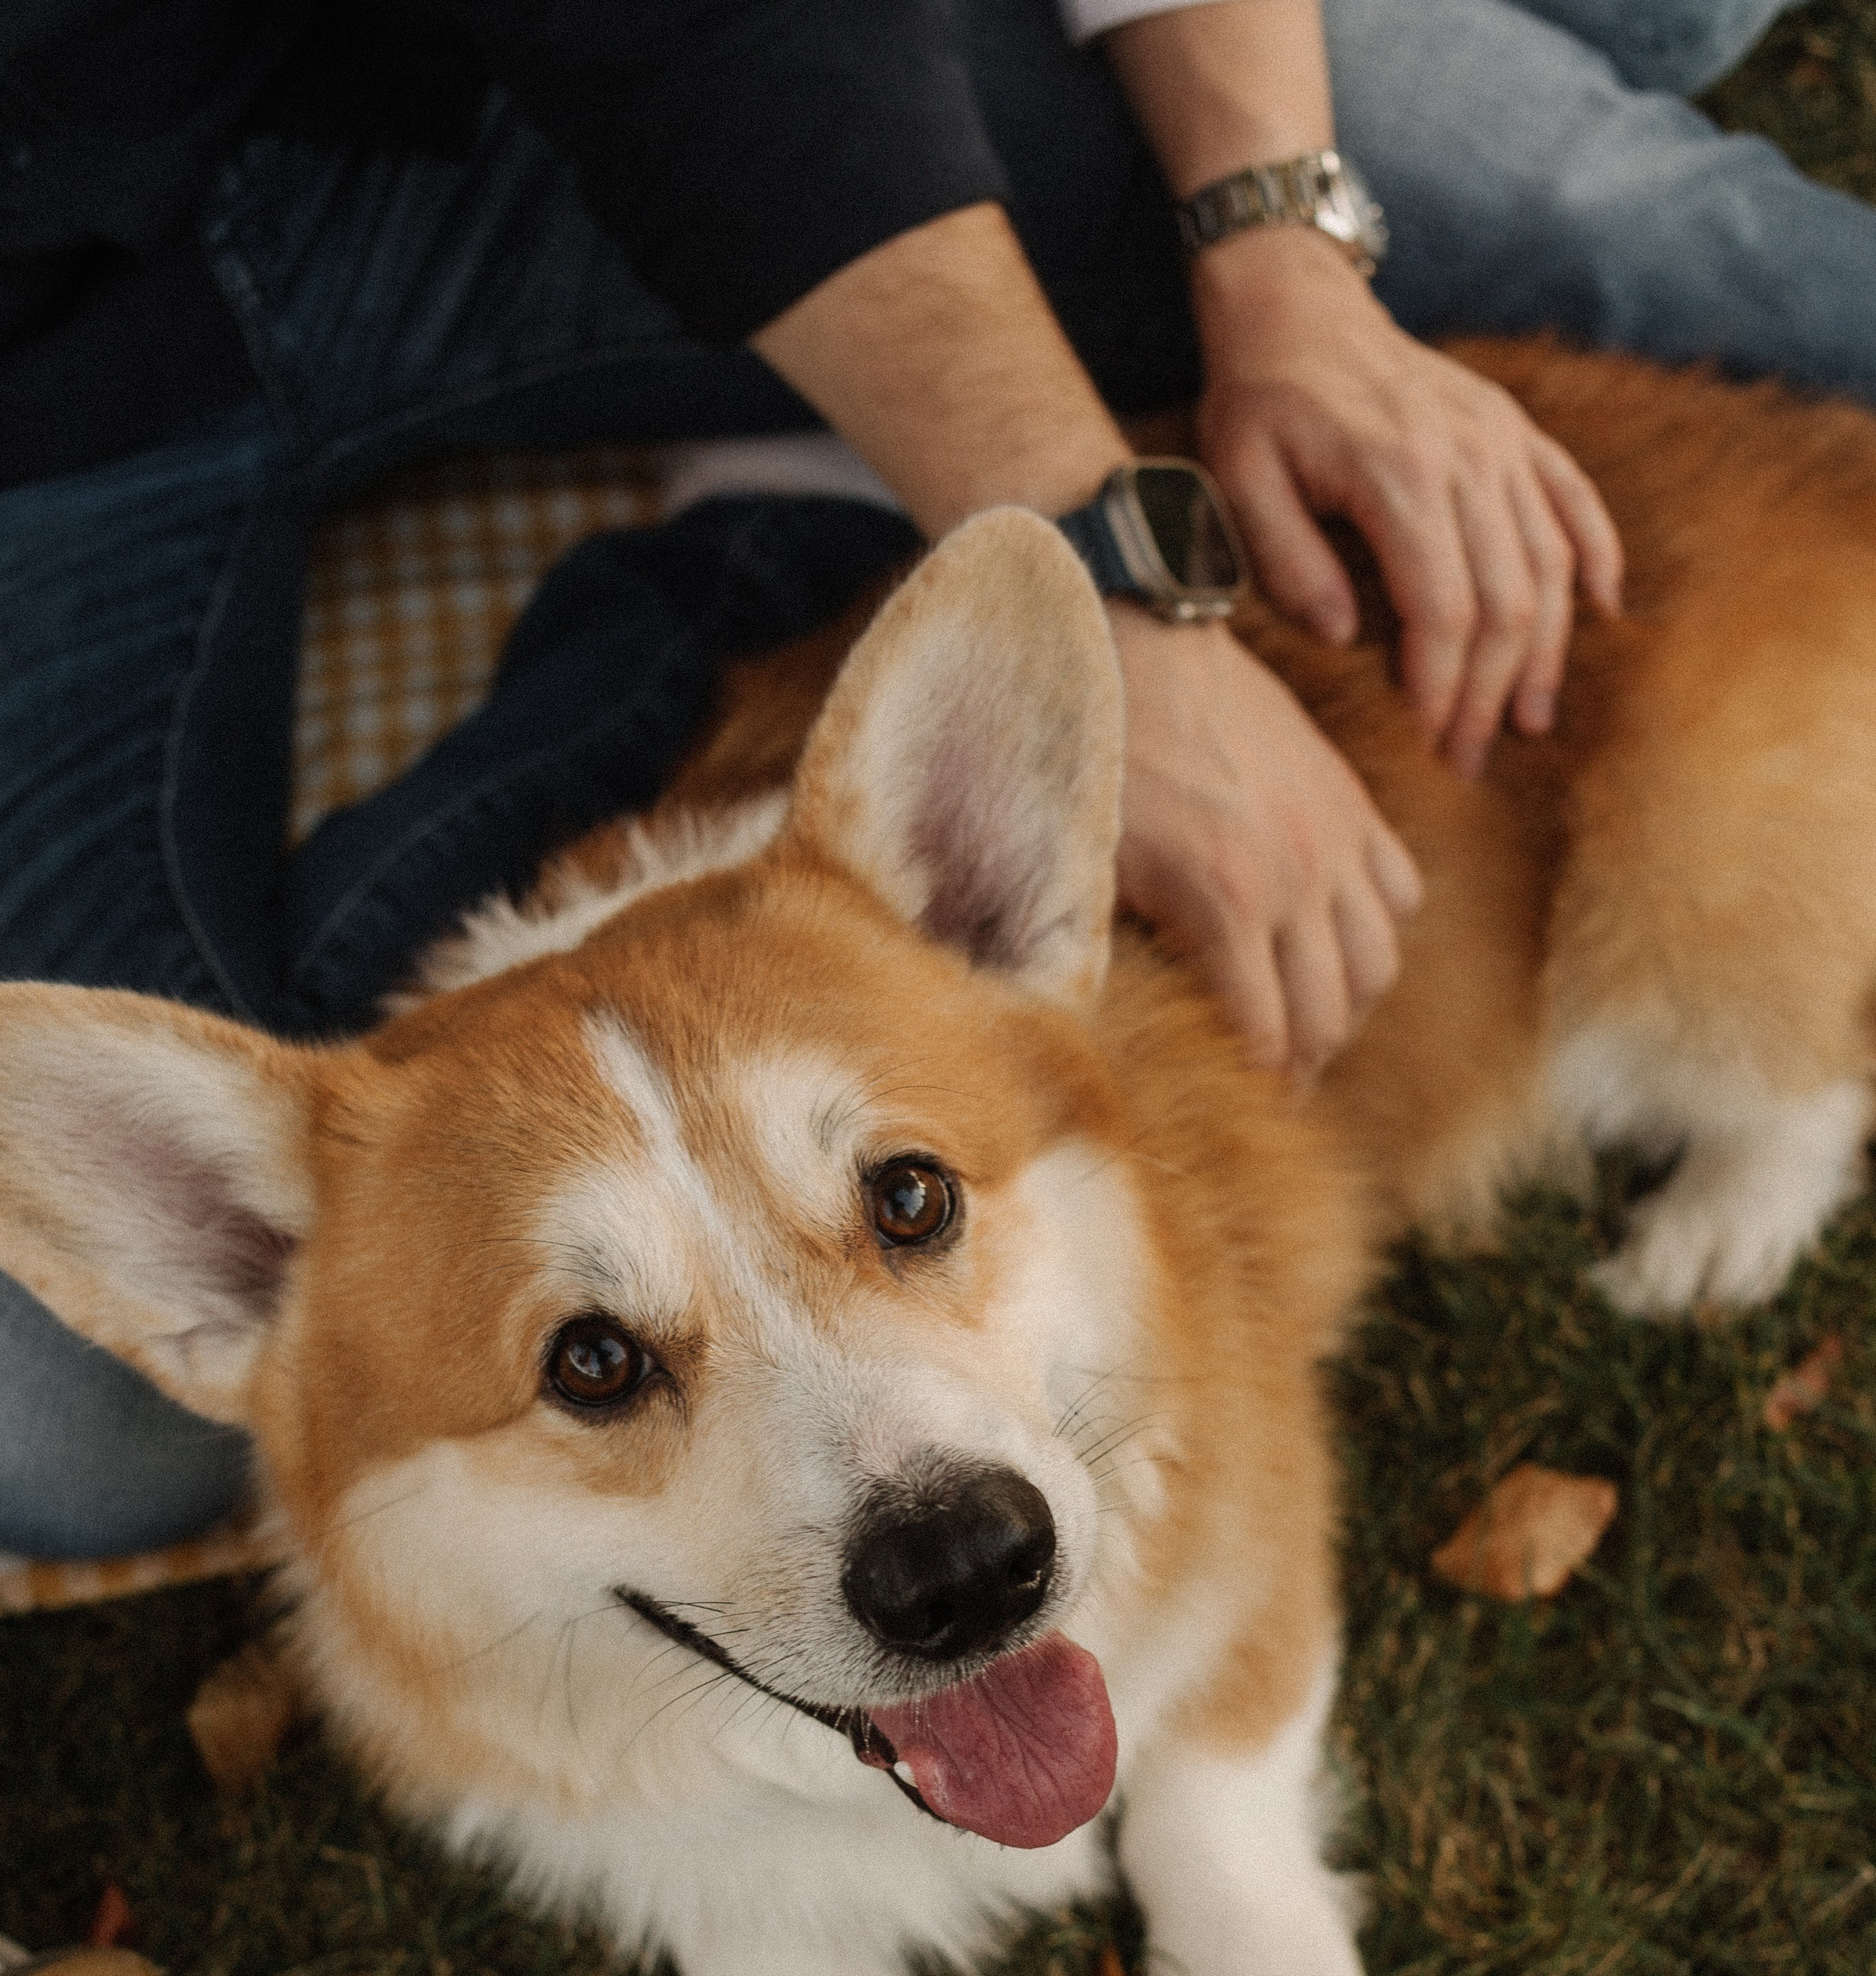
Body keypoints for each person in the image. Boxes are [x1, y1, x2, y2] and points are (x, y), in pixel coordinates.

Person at [2, 0, 1874, 1588]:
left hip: (435, 78)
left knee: (1541, 217)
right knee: (86, 1422)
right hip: (52, 388)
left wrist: (1252, 308)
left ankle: (772, 590)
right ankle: (733, 589)